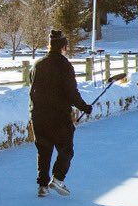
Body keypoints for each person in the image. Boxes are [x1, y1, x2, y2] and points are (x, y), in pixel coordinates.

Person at [29, 30, 93, 197]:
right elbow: (71, 92)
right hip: (58, 116)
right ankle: (58, 178)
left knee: (43, 151)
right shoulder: (64, 65)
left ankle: (42, 186)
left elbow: (32, 86)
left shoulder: (38, 64)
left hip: (38, 115)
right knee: (66, 149)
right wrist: (84, 107)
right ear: (64, 46)